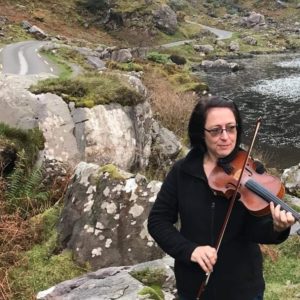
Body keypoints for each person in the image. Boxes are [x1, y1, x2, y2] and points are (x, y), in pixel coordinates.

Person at [147, 96, 295, 300]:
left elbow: (255, 231)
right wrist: (190, 250)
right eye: (216, 130)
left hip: (243, 288)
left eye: (231, 128)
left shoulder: (250, 169)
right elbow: (157, 221)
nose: (225, 136)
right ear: (201, 133)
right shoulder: (182, 171)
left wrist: (277, 228)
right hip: (194, 285)